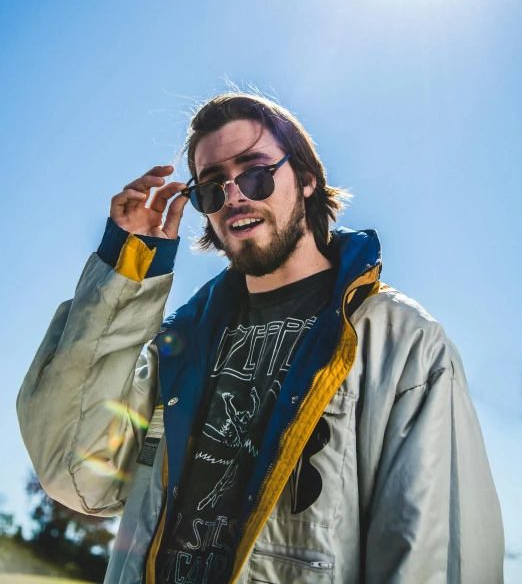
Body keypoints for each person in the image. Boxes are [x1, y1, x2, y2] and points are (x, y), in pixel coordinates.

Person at [18, 92, 504, 584]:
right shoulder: (180, 346)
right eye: (211, 188)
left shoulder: (402, 345)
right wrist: (130, 263)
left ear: (308, 179)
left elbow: (435, 559)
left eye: (255, 172)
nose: (234, 195)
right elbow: (76, 474)